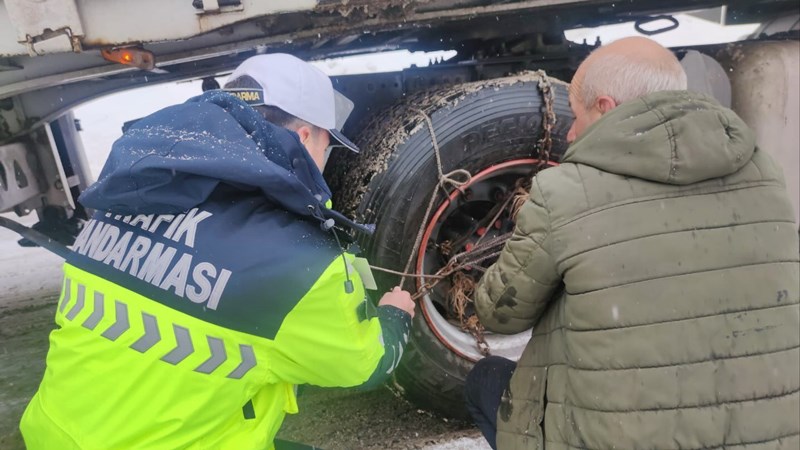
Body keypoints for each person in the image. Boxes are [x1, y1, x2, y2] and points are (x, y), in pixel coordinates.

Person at [20, 53, 416, 450]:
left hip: (50, 434)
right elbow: (361, 366)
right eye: (327, 147)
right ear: (303, 138)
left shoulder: (123, 201)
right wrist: (394, 316)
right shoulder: (296, 265)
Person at [466, 36, 800, 449]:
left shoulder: (566, 192)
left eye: (576, 115)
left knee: (486, 380)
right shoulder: (765, 173)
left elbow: (499, 315)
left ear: (605, 108)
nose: (570, 134)